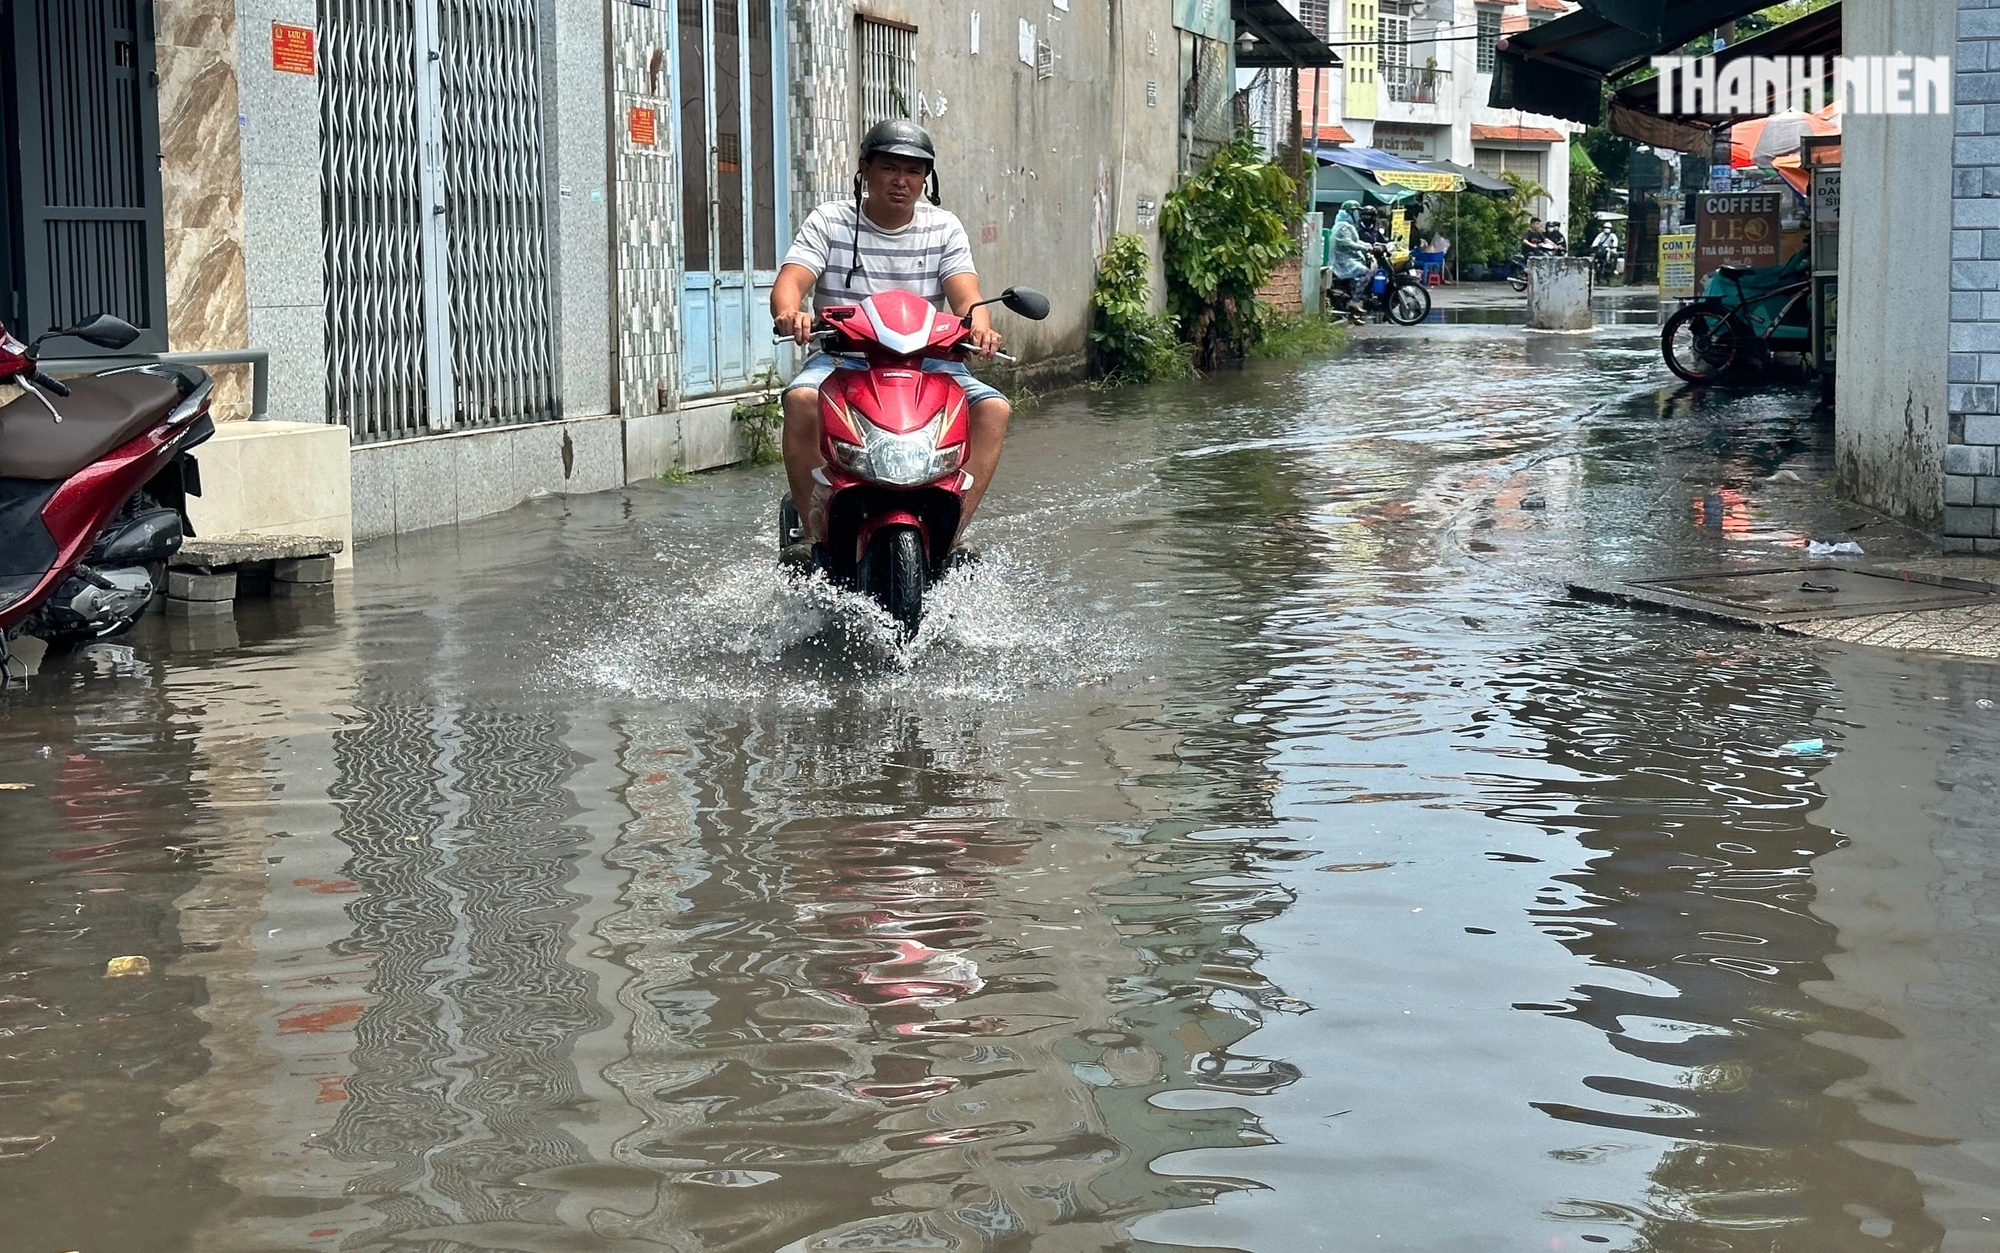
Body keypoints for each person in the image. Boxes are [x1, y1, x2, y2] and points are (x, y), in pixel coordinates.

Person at [770, 119, 1006, 565]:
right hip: (844, 358)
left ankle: (950, 536)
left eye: (914, 171)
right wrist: (790, 312)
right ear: (865, 170)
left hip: (930, 362)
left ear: (926, 179)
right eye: (889, 168)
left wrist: (980, 326)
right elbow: (791, 282)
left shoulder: (944, 227)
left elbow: (967, 296)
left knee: (993, 408)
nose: (901, 181)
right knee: (801, 399)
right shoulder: (831, 221)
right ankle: (813, 535)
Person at [1326, 199, 1373, 310]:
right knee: (1365, 272)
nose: (1358, 215)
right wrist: (1364, 248)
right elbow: (1347, 242)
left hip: (1348, 258)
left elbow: (1355, 241)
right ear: (1349, 213)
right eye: (1356, 212)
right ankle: (1355, 300)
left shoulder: (1347, 225)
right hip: (1343, 261)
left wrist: (1370, 245)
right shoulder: (1343, 226)